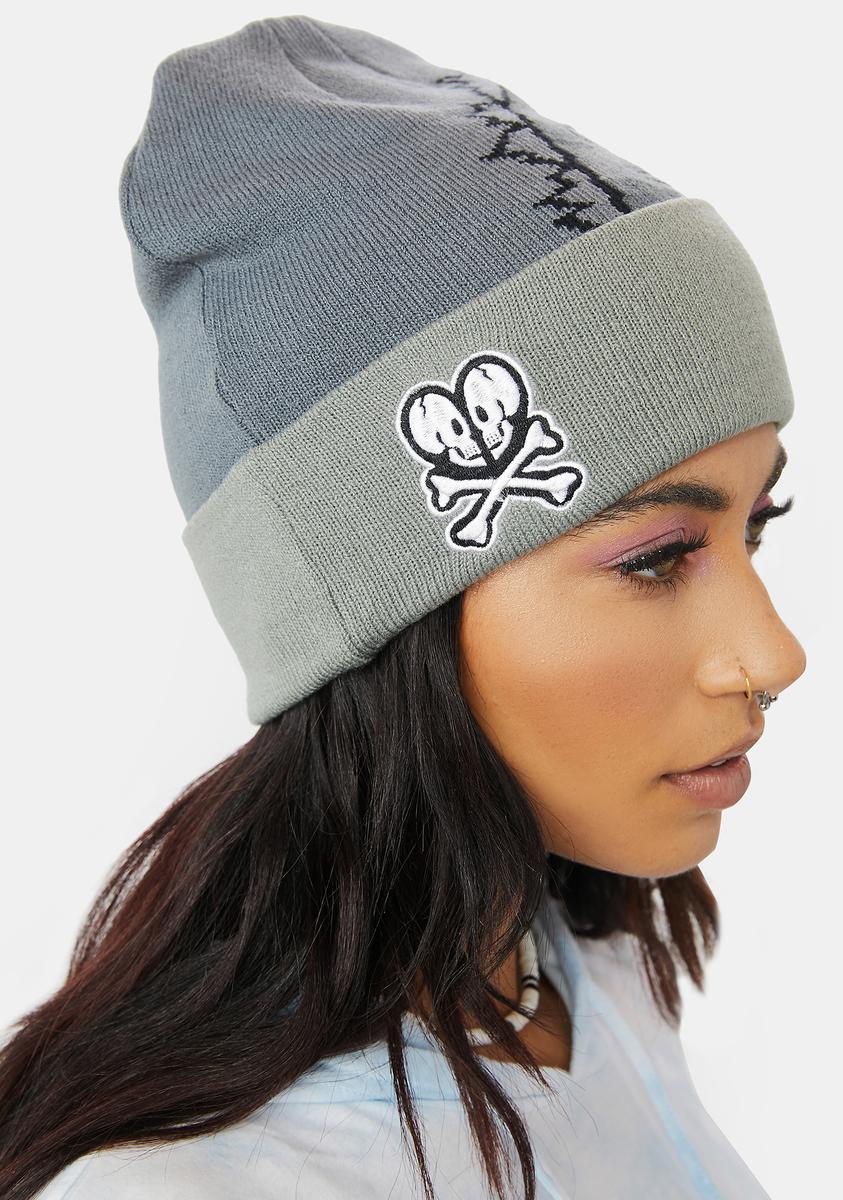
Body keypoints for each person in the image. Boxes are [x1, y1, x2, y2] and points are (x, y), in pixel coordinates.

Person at [0, 15, 806, 1200]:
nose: (774, 653)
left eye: (757, 527)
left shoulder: (585, 965)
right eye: (654, 558)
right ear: (385, 618)